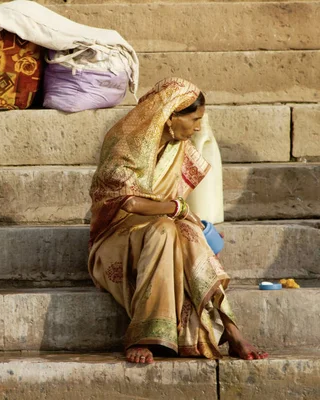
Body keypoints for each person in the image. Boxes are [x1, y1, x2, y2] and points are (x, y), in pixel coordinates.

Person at [88, 77, 268, 364]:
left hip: (162, 232)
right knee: (166, 228)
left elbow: (181, 209)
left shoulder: (177, 146)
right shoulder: (124, 140)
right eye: (194, 119)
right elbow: (129, 202)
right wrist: (176, 207)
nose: (198, 127)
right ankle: (142, 336)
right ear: (170, 116)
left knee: (183, 231)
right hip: (116, 239)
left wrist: (194, 225)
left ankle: (231, 330)